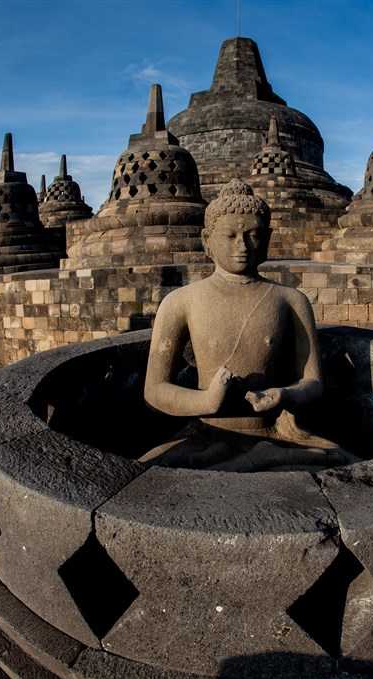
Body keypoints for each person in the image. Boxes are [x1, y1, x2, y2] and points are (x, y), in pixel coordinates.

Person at [142, 179, 358, 471]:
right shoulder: (180, 302)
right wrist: (207, 402)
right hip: (206, 434)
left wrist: (285, 394)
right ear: (207, 241)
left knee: (349, 469)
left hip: (278, 433)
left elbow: (313, 382)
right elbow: (154, 391)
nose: (242, 246)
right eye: (230, 236)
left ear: (267, 240)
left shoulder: (291, 300)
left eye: (253, 235)